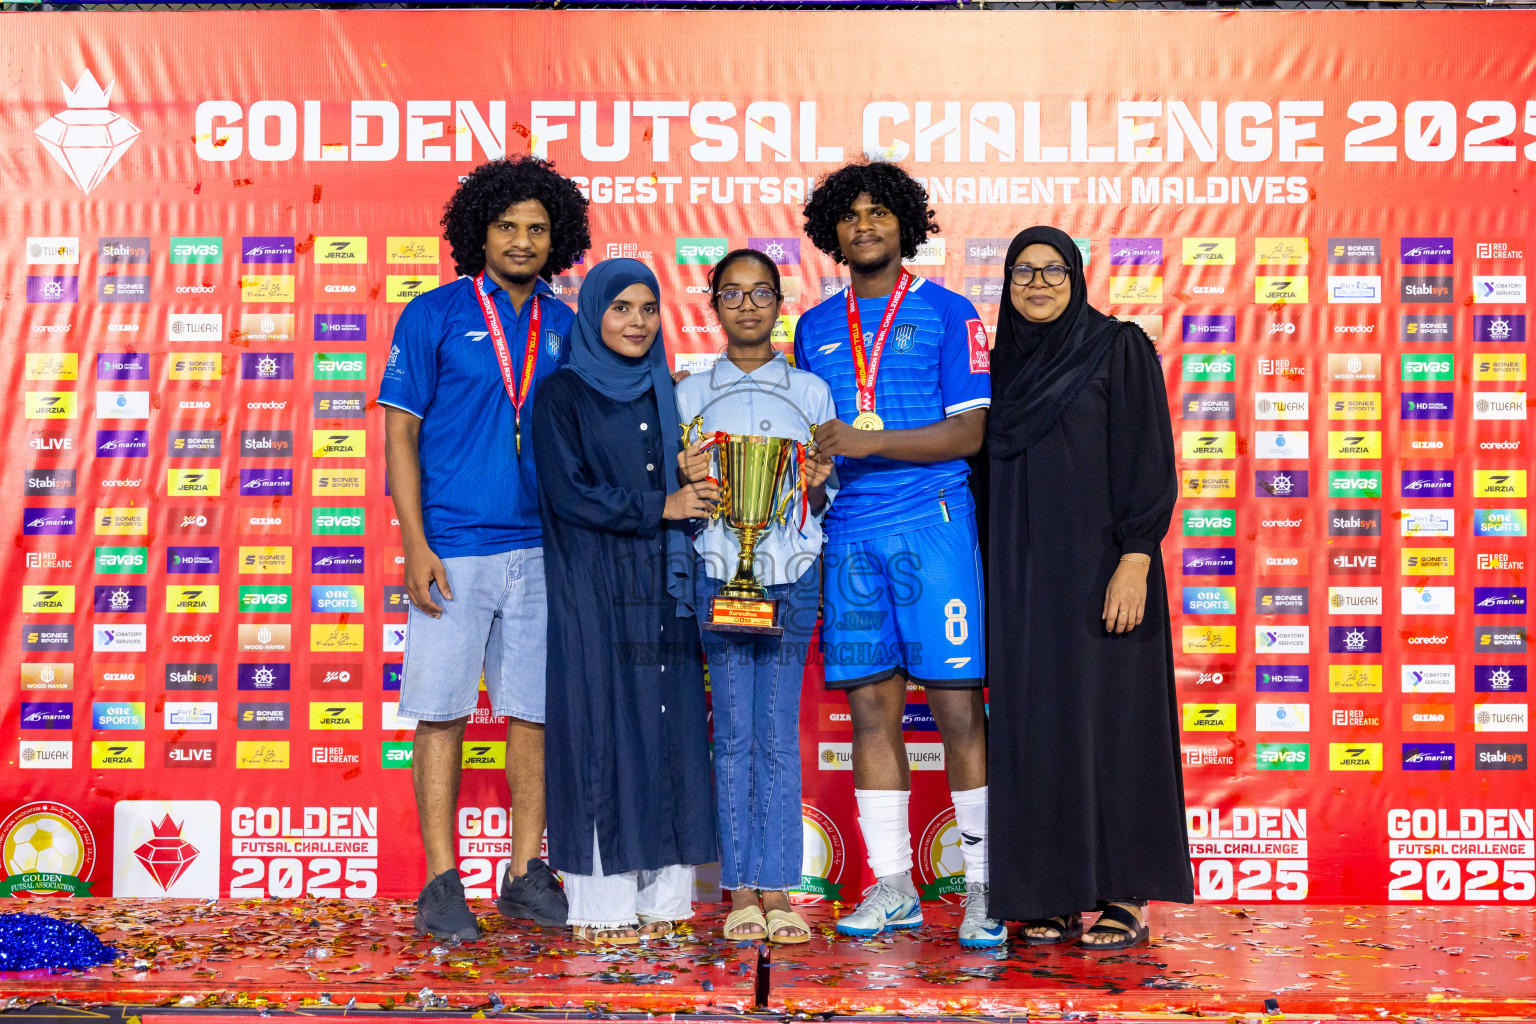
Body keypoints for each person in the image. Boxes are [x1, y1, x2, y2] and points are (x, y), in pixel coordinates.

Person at [792, 162, 1003, 948]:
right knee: (870, 709)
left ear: (905, 224)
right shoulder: (813, 326)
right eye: (850, 216)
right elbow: (814, 440)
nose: (866, 226)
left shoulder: (950, 312)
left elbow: (969, 432)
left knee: (957, 709)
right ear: (832, 233)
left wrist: (868, 441)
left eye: (880, 213)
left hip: (933, 521)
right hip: (848, 529)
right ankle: (890, 886)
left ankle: (985, 886)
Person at [380, 156, 590, 941]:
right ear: (481, 231)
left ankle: (524, 872)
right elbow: (400, 430)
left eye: (538, 229)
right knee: (441, 713)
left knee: (532, 716)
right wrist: (415, 541)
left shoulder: (567, 326)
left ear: (556, 239)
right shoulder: (431, 314)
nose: (523, 240)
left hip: (542, 548)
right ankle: (441, 880)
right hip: (455, 548)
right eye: (508, 226)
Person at [977, 225, 1193, 950]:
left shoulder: (1116, 346)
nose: (1037, 285)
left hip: (1105, 571)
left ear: (1076, 277)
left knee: (1115, 727)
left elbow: (1148, 456)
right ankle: (1050, 892)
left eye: (1052, 272)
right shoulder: (995, 366)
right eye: (1023, 273)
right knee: (1035, 730)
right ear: (1006, 284)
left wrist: (1136, 557)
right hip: (1019, 576)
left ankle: (1125, 894)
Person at [532, 258, 719, 945]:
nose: (636, 322)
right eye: (621, 308)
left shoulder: (666, 394)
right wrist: (661, 503)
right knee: (599, 724)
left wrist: (698, 485)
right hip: (592, 578)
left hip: (664, 580)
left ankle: (666, 896)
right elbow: (568, 491)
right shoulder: (562, 394)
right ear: (594, 315)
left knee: (665, 723)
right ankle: (600, 899)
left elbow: (691, 489)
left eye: (648, 309)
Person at [675, 249, 836, 944]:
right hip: (719, 570)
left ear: (780, 303)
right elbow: (675, 502)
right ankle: (740, 889)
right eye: (732, 293)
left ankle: (781, 890)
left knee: (777, 735)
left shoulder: (812, 393)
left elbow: (823, 500)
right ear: (712, 304)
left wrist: (822, 479)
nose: (747, 305)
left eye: (760, 292)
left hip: (792, 577)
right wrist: (685, 483)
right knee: (734, 733)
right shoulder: (685, 394)